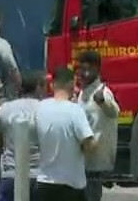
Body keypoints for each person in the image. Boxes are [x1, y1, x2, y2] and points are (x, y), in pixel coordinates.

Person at [33, 68, 95, 201]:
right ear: (72, 84)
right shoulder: (75, 111)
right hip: (71, 185)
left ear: (52, 85)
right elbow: (88, 145)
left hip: (44, 183)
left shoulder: (39, 108)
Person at [0, 71, 45, 201]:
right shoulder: (45, 109)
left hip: (11, 174)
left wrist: (3, 146)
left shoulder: (5, 108)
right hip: (39, 176)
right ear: (38, 87)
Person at [74, 51, 119, 201]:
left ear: (97, 69)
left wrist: (103, 102)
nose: (85, 74)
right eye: (82, 69)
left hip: (95, 161)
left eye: (89, 70)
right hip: (82, 160)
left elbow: (114, 112)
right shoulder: (81, 93)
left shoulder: (103, 93)